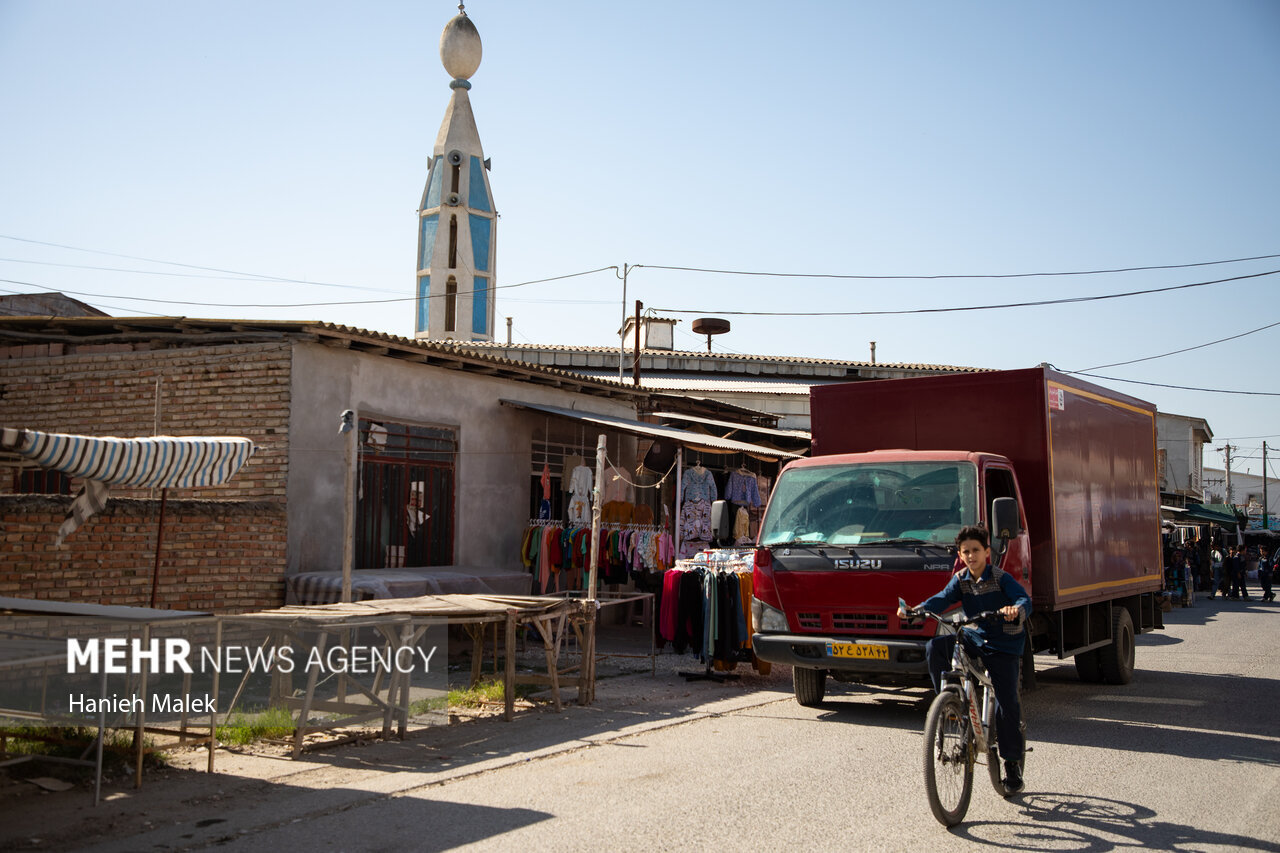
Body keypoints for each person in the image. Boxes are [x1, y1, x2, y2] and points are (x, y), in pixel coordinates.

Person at [898, 524, 1032, 795]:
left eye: (976, 551)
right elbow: (941, 599)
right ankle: (948, 703)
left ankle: (1011, 764)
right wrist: (917, 611)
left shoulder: (1000, 577)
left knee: (1006, 703)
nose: (971, 556)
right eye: (966, 552)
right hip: (976, 637)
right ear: (960, 554)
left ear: (986, 553)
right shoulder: (961, 579)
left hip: (1004, 644)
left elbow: (1023, 598)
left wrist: (1014, 609)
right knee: (936, 647)